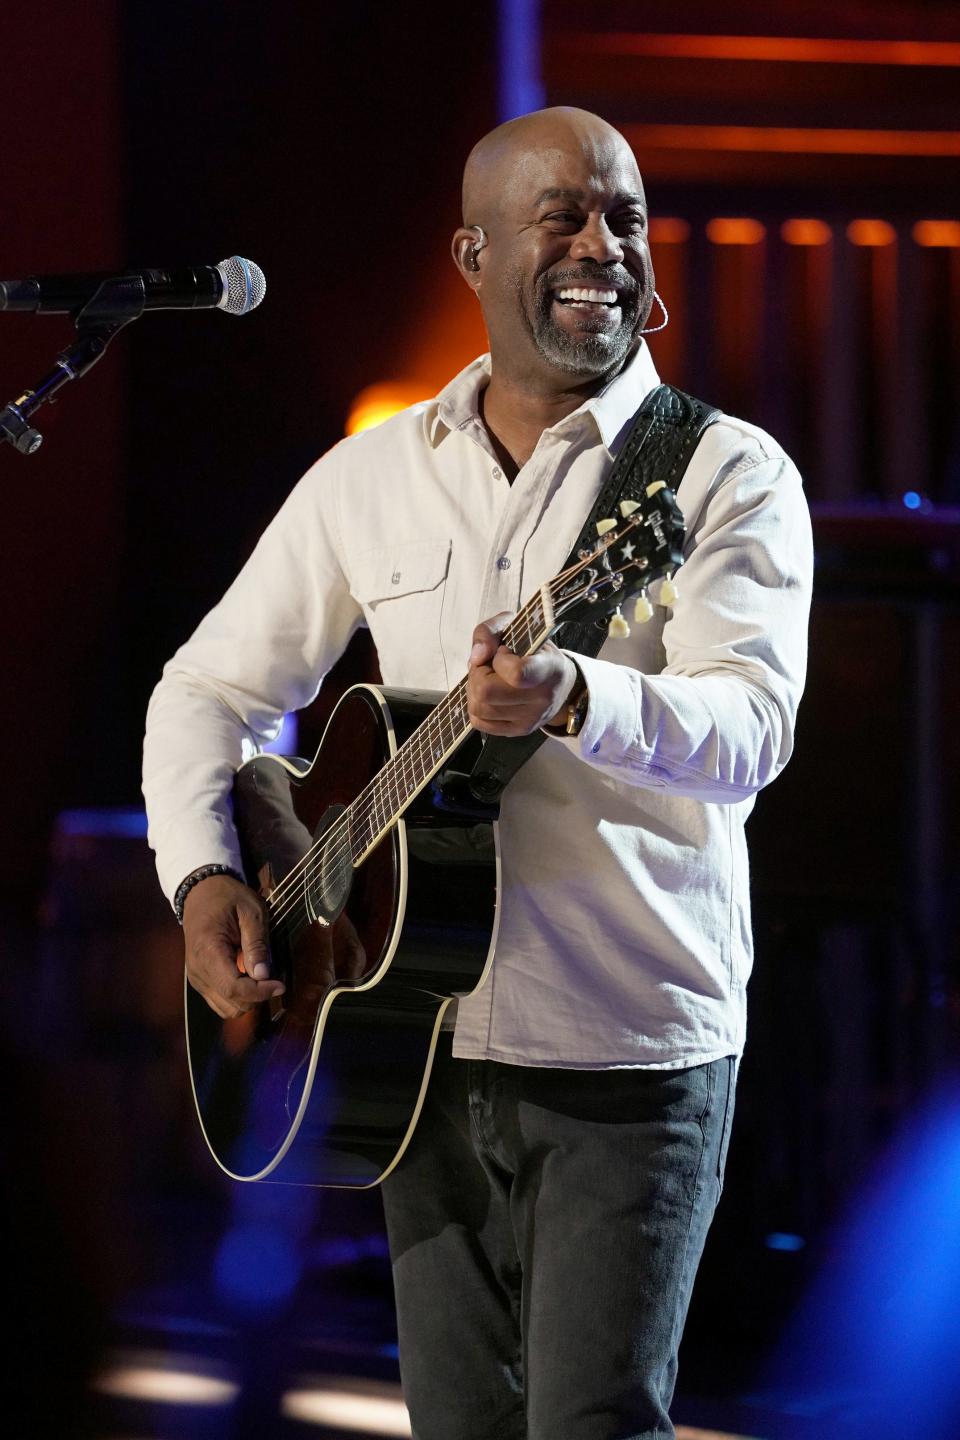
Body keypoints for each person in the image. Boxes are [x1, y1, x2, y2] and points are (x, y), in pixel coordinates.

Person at [143, 107, 813, 1439]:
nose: (601, 245)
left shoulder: (719, 473)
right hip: (415, 1046)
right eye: (559, 214)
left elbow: (752, 727)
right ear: (472, 252)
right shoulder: (372, 477)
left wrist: (577, 691)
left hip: (629, 1043)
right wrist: (207, 873)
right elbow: (206, 692)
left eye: (624, 216)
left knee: (592, 1423)